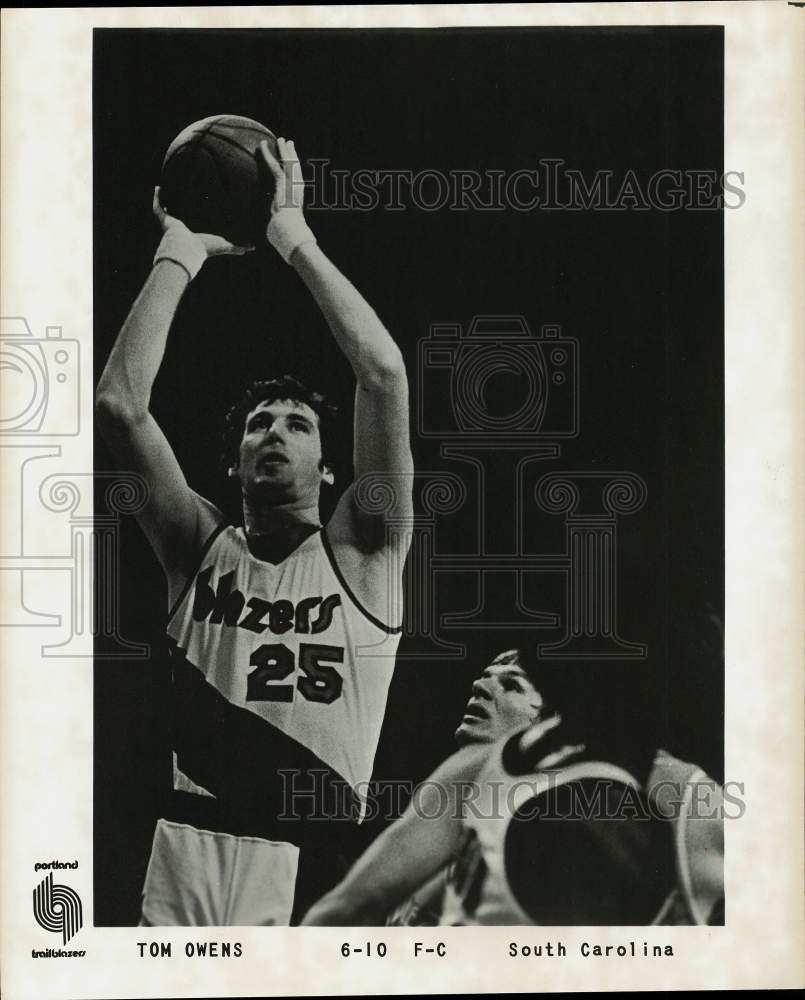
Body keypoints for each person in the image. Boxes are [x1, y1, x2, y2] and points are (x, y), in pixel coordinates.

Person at [96, 137, 413, 925]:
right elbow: (118, 408)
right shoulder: (197, 546)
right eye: (258, 424)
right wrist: (181, 248)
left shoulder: (364, 552)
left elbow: (382, 373)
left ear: (331, 469)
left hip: (313, 850)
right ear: (233, 466)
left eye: (298, 425)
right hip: (183, 842)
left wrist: (291, 234)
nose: (274, 432)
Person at [302, 649, 724, 926]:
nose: (481, 686)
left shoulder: (676, 793)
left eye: (512, 684)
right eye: (488, 677)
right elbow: (341, 911)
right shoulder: (471, 773)